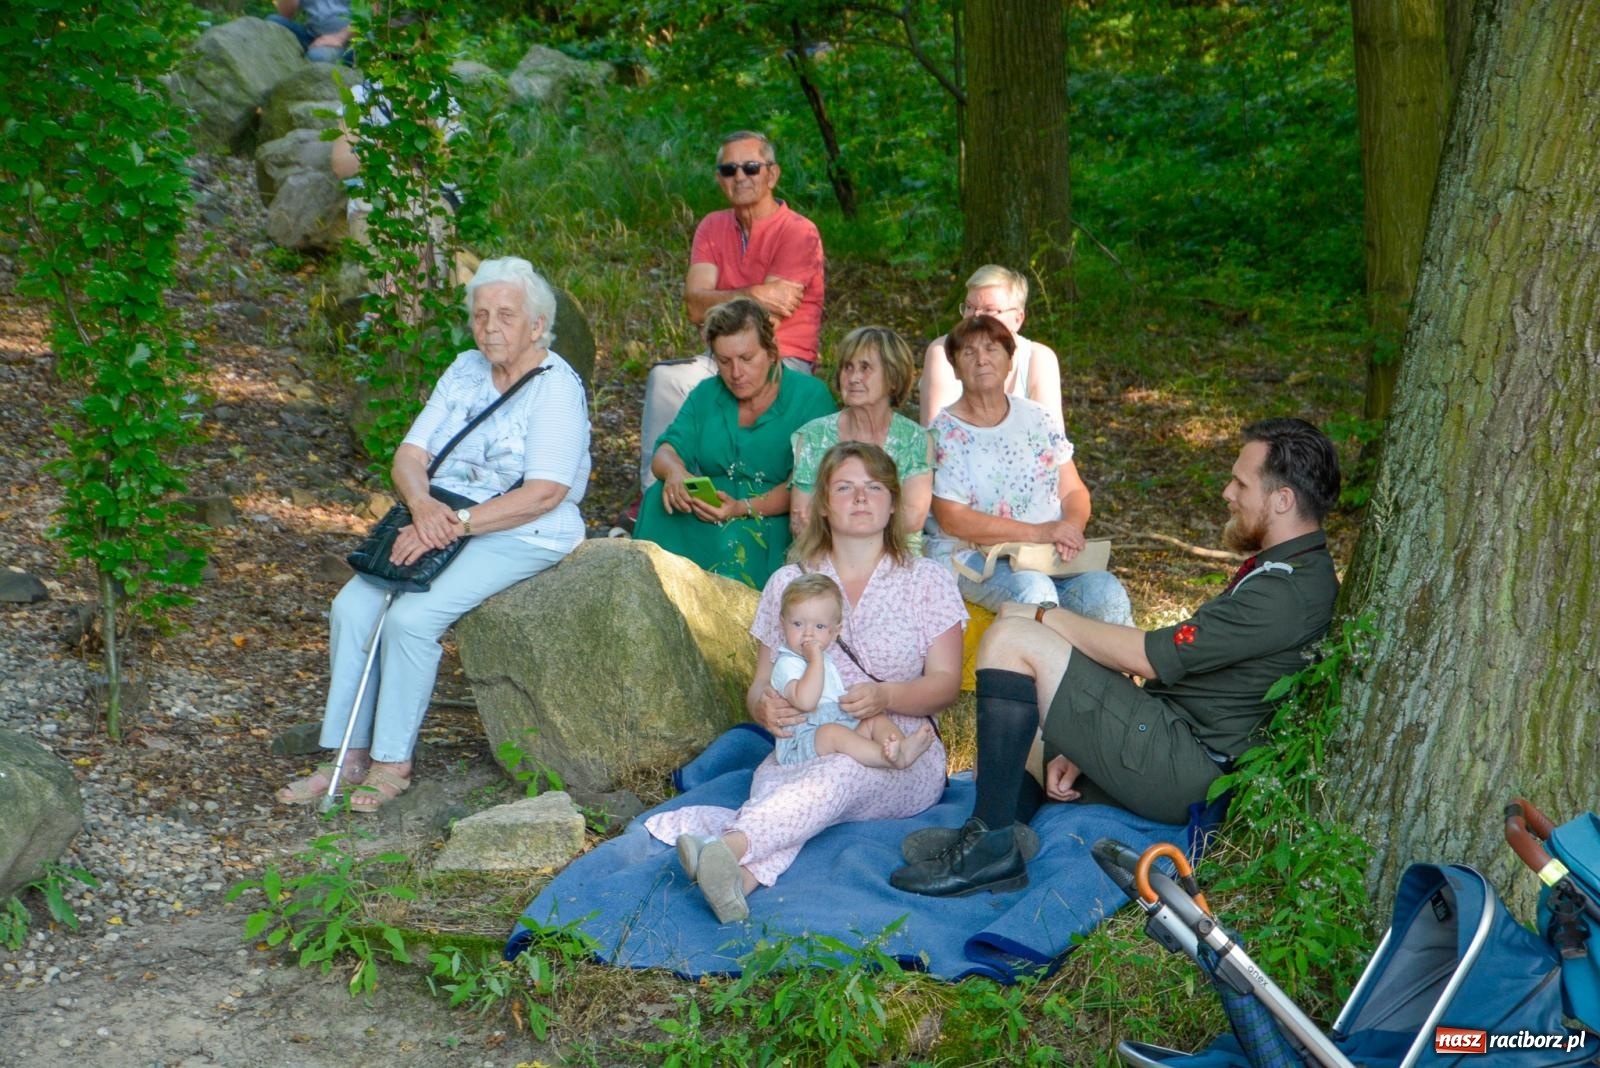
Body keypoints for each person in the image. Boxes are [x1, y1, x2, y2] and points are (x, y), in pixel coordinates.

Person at [891, 418, 1341, 897]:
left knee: (1010, 641)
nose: (1228, 492)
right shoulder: (1291, 572)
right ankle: (998, 831)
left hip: (1187, 764)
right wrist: (1087, 746)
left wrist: (1045, 616)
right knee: (1025, 733)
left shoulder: (1286, 592)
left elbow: (1153, 655)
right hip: (1174, 736)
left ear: (1283, 499)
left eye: (1241, 483)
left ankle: (990, 853)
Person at [276, 258, 590, 810]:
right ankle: (347, 756)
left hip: (520, 528)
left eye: (506, 316)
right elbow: (409, 455)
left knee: (411, 619)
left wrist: (451, 527)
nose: (490, 327)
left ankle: (392, 762)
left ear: (537, 326)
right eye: (481, 314)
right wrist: (422, 507)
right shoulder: (465, 369)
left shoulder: (557, 389)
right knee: (352, 609)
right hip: (438, 517)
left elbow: (545, 492)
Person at [644, 443, 966, 922]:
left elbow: (946, 685)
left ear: (894, 502)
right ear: (822, 504)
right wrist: (764, 709)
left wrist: (886, 695)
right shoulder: (788, 581)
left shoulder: (928, 581)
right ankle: (739, 883)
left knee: (841, 773)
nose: (860, 497)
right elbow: (758, 688)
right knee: (795, 786)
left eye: (873, 487)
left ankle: (726, 847)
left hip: (899, 749)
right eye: (844, 487)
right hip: (803, 742)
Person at [636, 130, 825, 490]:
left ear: (772, 174)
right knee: (666, 380)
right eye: (729, 169)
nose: (740, 176)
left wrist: (719, 298)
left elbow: (759, 327)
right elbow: (694, 306)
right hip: (720, 356)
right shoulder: (712, 226)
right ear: (719, 178)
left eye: (751, 167)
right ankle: (655, 495)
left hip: (782, 358)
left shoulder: (799, 233)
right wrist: (756, 292)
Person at [925, 314, 1132, 623]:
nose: (982, 359)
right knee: (1034, 594)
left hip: (1048, 555)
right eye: (969, 352)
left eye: (992, 349)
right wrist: (1039, 532)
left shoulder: (1037, 418)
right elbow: (952, 519)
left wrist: (1071, 528)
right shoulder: (943, 432)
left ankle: (1124, 671)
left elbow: (1073, 490)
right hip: (978, 557)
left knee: (1106, 592)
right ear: (955, 368)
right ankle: (1047, 670)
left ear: (1011, 361)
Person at [632, 298, 835, 588]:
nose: (736, 373)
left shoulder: (810, 397)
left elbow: (808, 485)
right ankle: (649, 597)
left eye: (747, 358)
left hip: (771, 517)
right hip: (707, 510)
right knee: (658, 498)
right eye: (724, 362)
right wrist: (676, 471)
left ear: (771, 352)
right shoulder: (707, 393)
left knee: (737, 539)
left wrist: (741, 507)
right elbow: (667, 449)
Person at [789, 327, 932, 554]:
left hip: (895, 559)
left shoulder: (914, 439)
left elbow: (913, 517)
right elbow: (802, 519)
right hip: (825, 557)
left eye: (865, 368)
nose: (853, 378)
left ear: (893, 378)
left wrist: (844, 525)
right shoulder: (813, 436)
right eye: (848, 367)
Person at [771, 572, 935, 770]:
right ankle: (884, 758)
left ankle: (900, 749)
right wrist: (815, 661)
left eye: (820, 626)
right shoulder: (787, 663)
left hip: (835, 727)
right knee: (833, 733)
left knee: (874, 718)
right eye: (797, 624)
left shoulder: (823, 660)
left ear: (834, 632)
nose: (808, 633)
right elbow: (806, 702)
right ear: (782, 624)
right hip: (801, 741)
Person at [919, 265, 1063, 432]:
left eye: (989, 310)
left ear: (1018, 319)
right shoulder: (944, 352)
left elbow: (1051, 438)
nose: (975, 317)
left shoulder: (1039, 359)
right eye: (969, 307)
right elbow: (937, 435)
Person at [267, 0, 353, 65]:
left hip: (348, 41)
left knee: (317, 57)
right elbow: (285, 15)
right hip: (312, 36)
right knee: (273, 24)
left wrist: (340, 38)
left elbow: (366, 17)